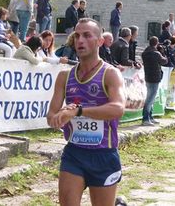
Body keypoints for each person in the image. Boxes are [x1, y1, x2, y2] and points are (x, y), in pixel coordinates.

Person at [46, 18, 125, 206]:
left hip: (104, 155)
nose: (80, 40)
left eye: (87, 35)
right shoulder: (64, 77)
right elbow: (50, 116)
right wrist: (59, 117)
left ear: (100, 41)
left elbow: (118, 108)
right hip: (74, 153)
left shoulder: (110, 73)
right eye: (77, 36)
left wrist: (78, 112)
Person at [141, 36, 168, 126]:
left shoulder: (145, 53)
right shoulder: (156, 53)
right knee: (150, 99)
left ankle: (150, 117)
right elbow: (164, 61)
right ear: (156, 43)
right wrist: (163, 52)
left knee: (150, 97)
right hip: (155, 77)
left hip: (148, 76)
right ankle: (145, 118)